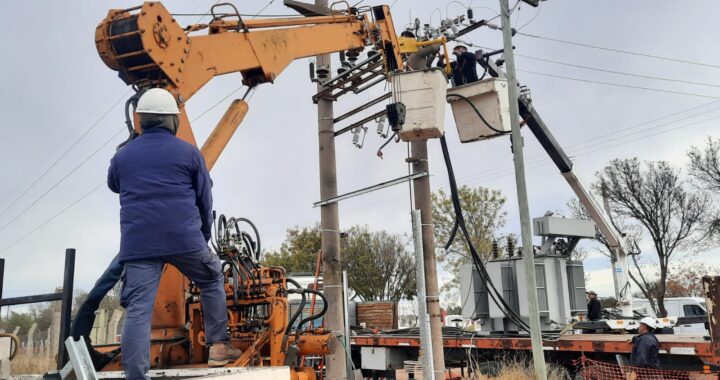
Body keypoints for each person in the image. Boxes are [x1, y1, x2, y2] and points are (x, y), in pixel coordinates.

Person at [107, 88, 240, 379]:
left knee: (138, 309)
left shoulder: (122, 157)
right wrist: (201, 236)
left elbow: (114, 185)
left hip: (139, 244)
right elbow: (205, 200)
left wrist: (132, 152)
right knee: (211, 277)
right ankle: (219, 347)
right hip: (184, 239)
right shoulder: (189, 153)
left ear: (139, 120)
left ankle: (135, 376)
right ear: (172, 121)